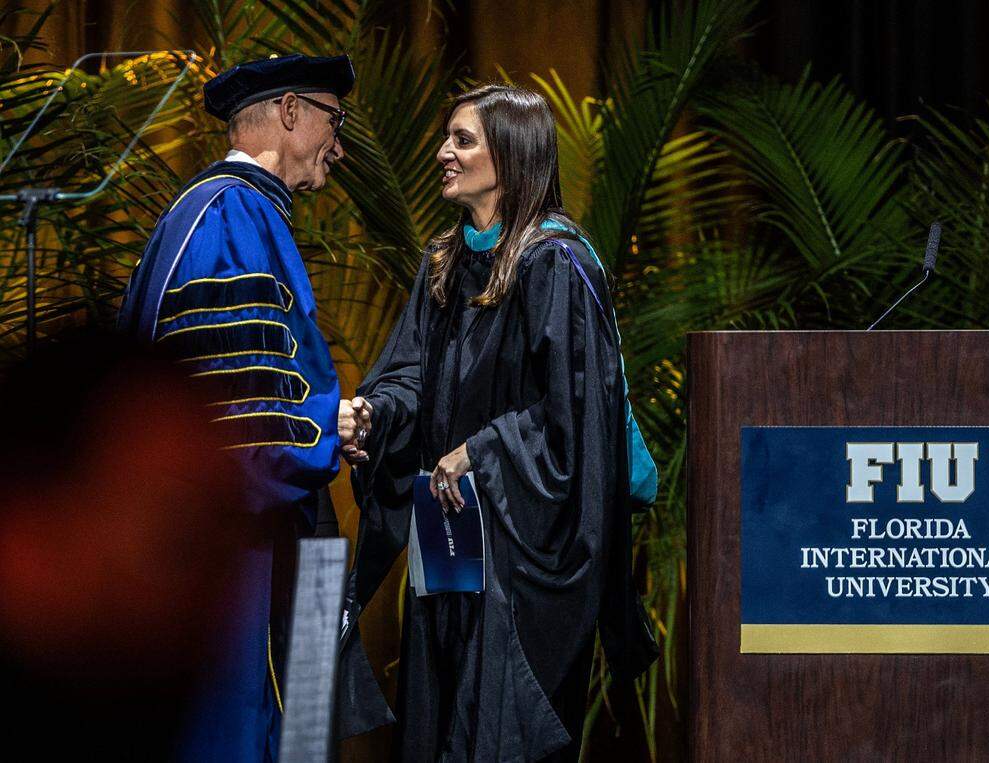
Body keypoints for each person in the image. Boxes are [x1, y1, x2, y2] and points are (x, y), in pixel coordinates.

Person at [338, 84, 658, 761]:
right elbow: (409, 375)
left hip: (521, 556)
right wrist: (377, 410)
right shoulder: (445, 265)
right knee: (440, 711)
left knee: (498, 731)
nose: (441, 154)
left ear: (511, 157)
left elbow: (578, 424)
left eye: (462, 140)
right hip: (450, 541)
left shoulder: (558, 264)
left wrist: (480, 451)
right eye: (446, 138)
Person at [117, 53, 385, 761]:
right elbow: (236, 415)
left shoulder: (208, 210)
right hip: (230, 556)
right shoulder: (233, 217)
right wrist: (326, 425)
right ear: (292, 113)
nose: (340, 142)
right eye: (335, 119)